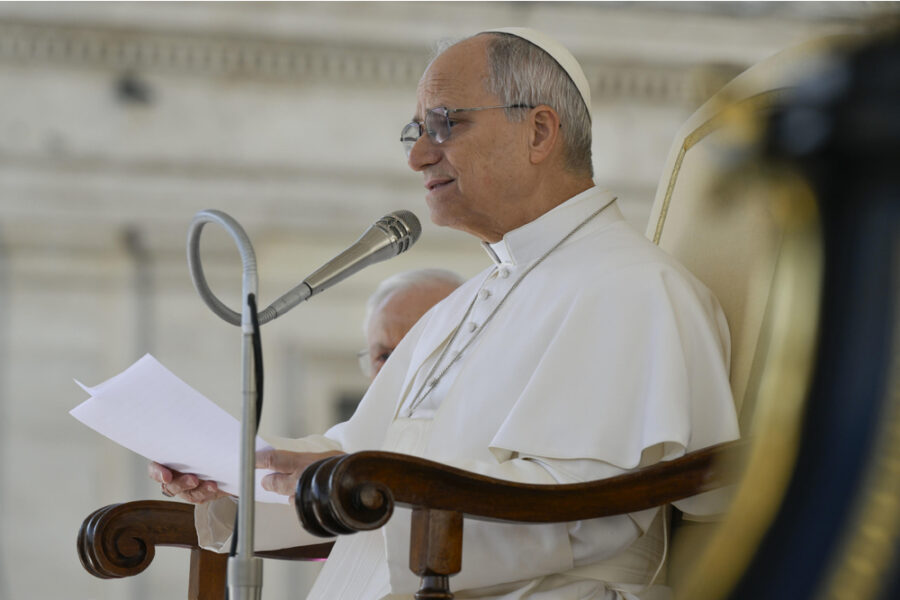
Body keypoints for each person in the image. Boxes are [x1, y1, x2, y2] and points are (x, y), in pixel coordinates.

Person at [150, 27, 739, 600]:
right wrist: (230, 480)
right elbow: (356, 457)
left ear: (538, 131)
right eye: (415, 132)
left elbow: (592, 513)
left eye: (445, 125)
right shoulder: (459, 306)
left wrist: (378, 485)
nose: (420, 156)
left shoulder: (635, 289)